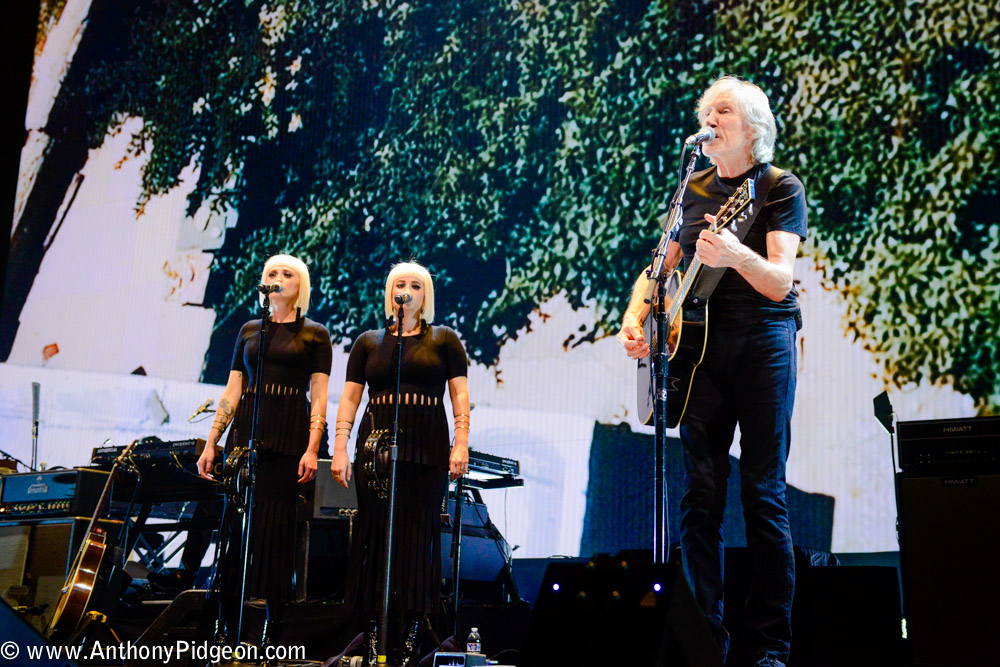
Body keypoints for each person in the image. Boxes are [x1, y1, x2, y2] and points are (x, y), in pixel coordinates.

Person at [617, 76, 807, 667]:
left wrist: (734, 254)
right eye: (707, 111)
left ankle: (770, 647)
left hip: (764, 343)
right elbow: (657, 268)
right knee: (700, 495)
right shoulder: (694, 187)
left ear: (752, 127)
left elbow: (780, 281)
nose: (711, 119)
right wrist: (635, 318)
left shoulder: (779, 187)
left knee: (763, 493)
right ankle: (705, 643)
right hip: (700, 351)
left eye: (723, 111)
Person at [330, 261, 470, 666]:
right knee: (376, 541)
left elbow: (459, 395)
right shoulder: (368, 342)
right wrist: (340, 446)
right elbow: (351, 397)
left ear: (425, 295)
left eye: (414, 285)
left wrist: (461, 442)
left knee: (417, 545)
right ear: (389, 292)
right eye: (398, 284)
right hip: (375, 455)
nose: (405, 290)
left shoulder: (444, 339)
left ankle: (410, 639)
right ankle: (375, 636)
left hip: (426, 453)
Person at [196, 253, 332, 650]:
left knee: (275, 535)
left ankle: (275, 625)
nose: (278, 278)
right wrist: (212, 440)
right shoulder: (250, 329)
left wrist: (313, 447)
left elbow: (319, 395)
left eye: (287, 273)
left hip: (288, 441)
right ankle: (227, 624)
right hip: (245, 440)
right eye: (272, 272)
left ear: (300, 285)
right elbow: (232, 389)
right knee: (235, 533)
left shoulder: (315, 334)